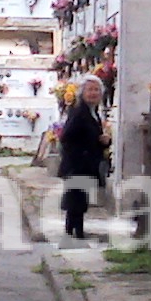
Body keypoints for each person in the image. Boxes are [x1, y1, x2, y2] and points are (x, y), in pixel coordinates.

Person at [57, 76, 109, 239]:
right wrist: (87, 148)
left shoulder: (93, 112)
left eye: (96, 90)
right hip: (77, 163)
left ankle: (74, 230)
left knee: (79, 198)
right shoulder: (79, 112)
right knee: (76, 199)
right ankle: (74, 232)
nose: (93, 93)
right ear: (82, 93)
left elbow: (95, 137)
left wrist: (104, 141)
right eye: (90, 90)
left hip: (85, 163)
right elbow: (66, 137)